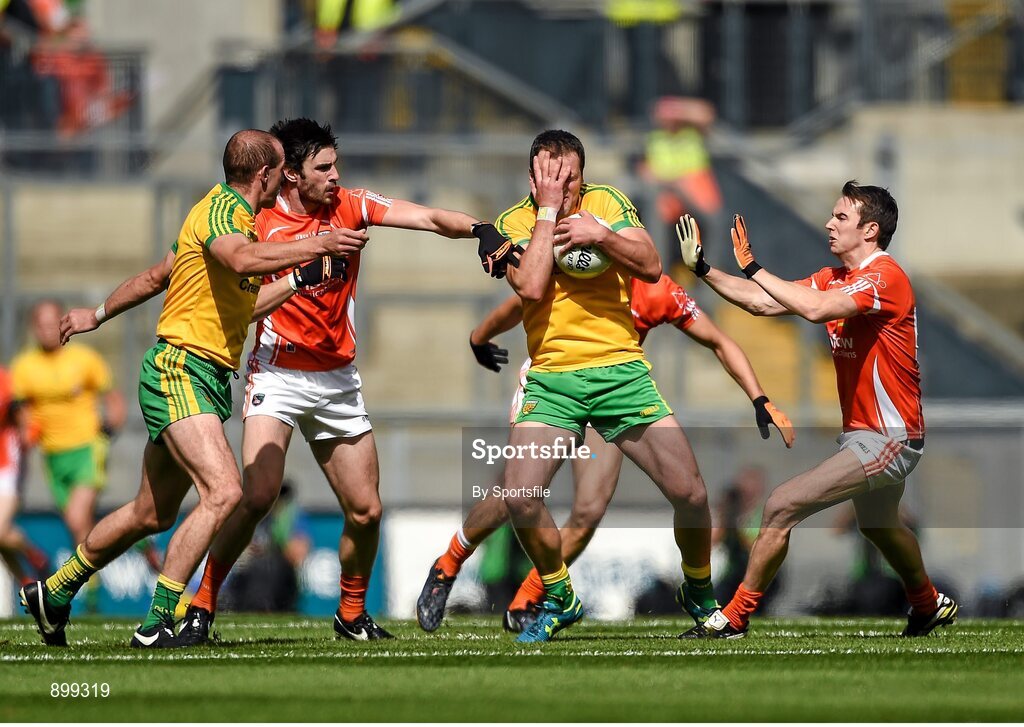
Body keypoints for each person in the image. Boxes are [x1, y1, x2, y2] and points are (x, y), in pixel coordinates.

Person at [176, 117, 516, 644]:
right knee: (257, 495)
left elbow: (425, 216)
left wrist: (481, 229)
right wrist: (300, 276)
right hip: (278, 371)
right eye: (324, 167)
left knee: (366, 509)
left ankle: (351, 614)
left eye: (336, 165)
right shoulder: (257, 224)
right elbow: (243, 310)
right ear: (290, 174)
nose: (336, 176)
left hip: (337, 378)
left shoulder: (350, 205)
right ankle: (201, 605)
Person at [20, 128, 364, 648]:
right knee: (225, 491)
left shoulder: (224, 215)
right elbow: (242, 260)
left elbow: (161, 276)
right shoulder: (225, 215)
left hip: (198, 375)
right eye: (280, 171)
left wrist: (96, 313)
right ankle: (159, 620)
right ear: (266, 175)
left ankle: (56, 590)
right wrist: (316, 243)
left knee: (149, 513)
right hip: (181, 370)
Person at [454, 129, 790, 644]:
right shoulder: (511, 224)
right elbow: (529, 286)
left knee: (692, 494)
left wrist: (601, 235)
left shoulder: (607, 203)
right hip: (552, 376)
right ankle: (560, 597)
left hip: (620, 371)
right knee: (522, 496)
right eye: (551, 179)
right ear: (533, 179)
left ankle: (698, 589)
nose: (562, 188)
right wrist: (548, 215)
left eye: (570, 179)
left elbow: (653, 265)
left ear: (583, 176)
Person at [417, 274, 793, 633]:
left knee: (590, 508)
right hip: (552, 387)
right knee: (516, 495)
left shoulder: (655, 289)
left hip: (610, 395)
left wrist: (759, 397)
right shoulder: (575, 270)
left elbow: (718, 341)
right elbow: (521, 301)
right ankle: (449, 563)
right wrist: (479, 337)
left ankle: (530, 598)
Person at [675, 181, 959, 638]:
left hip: (890, 436)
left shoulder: (886, 276)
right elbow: (764, 302)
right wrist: (705, 269)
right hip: (866, 434)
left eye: (840, 217)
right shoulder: (834, 277)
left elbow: (815, 310)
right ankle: (927, 605)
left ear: (869, 230)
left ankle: (733, 616)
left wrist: (752, 265)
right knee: (880, 526)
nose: (829, 223)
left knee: (782, 504)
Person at [11, 300, 126, 549]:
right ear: (34, 328)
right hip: (53, 456)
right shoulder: (23, 367)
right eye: (41, 326)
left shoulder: (84, 359)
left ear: (62, 322)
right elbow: (22, 411)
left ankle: (88, 582)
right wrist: (26, 432)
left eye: (52, 324)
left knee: (76, 519)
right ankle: (131, 539)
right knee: (80, 525)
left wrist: (109, 428)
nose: (47, 330)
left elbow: (114, 399)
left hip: (88, 448)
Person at [0, 364, 50, 587]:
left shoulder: (5, 379)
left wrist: (27, 434)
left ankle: (34, 555)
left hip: (6, 464)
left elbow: (24, 413)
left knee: (0, 531)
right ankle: (28, 584)